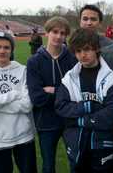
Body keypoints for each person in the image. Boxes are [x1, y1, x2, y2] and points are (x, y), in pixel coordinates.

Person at [55, 28, 113, 173]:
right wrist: (89, 106)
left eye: (86, 49)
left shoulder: (111, 79)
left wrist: (79, 120)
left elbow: (111, 114)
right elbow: (61, 106)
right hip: (76, 144)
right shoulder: (69, 78)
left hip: (102, 145)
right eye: (78, 51)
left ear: (96, 48)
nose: (82, 55)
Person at [0, 31, 37, 173]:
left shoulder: (22, 70)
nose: (2, 51)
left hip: (23, 134)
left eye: (6, 47)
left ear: (11, 50)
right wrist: (13, 95)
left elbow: (26, 105)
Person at [27, 16, 77, 173]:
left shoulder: (72, 59)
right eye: (55, 32)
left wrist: (53, 90)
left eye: (63, 33)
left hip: (70, 120)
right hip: (46, 122)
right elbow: (37, 97)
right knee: (48, 165)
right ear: (47, 33)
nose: (59, 36)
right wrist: (63, 92)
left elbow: (76, 93)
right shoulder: (34, 61)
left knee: (77, 161)